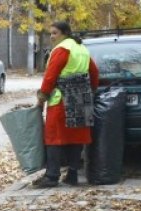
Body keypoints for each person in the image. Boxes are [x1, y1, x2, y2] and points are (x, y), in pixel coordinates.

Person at [33, 21, 99, 188]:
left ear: (64, 33)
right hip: (81, 98)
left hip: (62, 99)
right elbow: (94, 72)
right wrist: (91, 91)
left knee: (53, 137)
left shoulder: (62, 49)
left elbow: (50, 76)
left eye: (54, 33)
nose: (51, 37)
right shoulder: (81, 48)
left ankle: (52, 176)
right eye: (51, 33)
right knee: (76, 137)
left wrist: (41, 98)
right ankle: (72, 174)